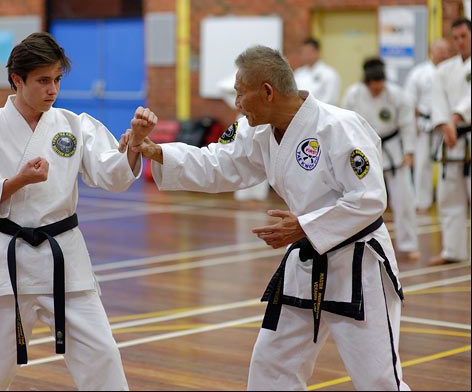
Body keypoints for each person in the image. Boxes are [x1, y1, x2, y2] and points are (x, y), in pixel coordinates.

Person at [121, 45, 409, 391]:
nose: (237, 104)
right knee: (271, 368)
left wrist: (304, 225)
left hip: (358, 264)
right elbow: (219, 164)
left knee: (378, 380)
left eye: (241, 94)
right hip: (306, 260)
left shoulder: (340, 127)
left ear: (268, 92)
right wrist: (160, 153)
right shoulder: (257, 130)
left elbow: (369, 199)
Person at [0, 32, 156, 390]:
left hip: (63, 257)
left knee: (102, 354)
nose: (53, 89)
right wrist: (15, 182)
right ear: (18, 80)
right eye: (43, 80)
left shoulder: (74, 125)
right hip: (8, 261)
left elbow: (112, 175)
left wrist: (134, 146)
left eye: (58, 79)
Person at [342, 57, 420, 261]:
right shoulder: (354, 94)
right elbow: (344, 125)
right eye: (373, 86)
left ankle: (409, 243)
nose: (377, 90)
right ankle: (356, 241)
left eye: (380, 86)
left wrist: (409, 151)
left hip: (393, 149)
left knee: (404, 199)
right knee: (360, 198)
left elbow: (407, 124)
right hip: (364, 149)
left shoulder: (397, 94)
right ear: (366, 82)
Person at [429, 18, 471, 266]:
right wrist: (445, 124)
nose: (459, 42)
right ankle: (453, 251)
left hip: (465, 131)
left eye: (464, 36)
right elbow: (436, 99)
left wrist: (455, 118)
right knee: (449, 196)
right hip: (451, 139)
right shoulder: (444, 69)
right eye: (455, 38)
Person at [404, 39, 451, 215]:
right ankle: (421, 201)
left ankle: (443, 201)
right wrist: (412, 125)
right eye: (440, 49)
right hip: (423, 123)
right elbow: (409, 101)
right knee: (423, 163)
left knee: (445, 164)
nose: (443, 53)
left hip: (445, 124)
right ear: (431, 50)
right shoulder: (419, 73)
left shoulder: (451, 71)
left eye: (446, 50)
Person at [218, 71, 269, 203]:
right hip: (244, 119)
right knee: (237, 154)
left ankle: (258, 196)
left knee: (260, 158)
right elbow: (222, 86)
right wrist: (237, 102)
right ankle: (243, 195)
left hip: (261, 120)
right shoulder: (237, 76)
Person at [293, 38, 341, 105]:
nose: (304, 55)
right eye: (303, 52)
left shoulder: (329, 74)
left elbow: (330, 100)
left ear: (317, 52)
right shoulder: (298, 73)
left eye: (307, 52)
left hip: (321, 113)